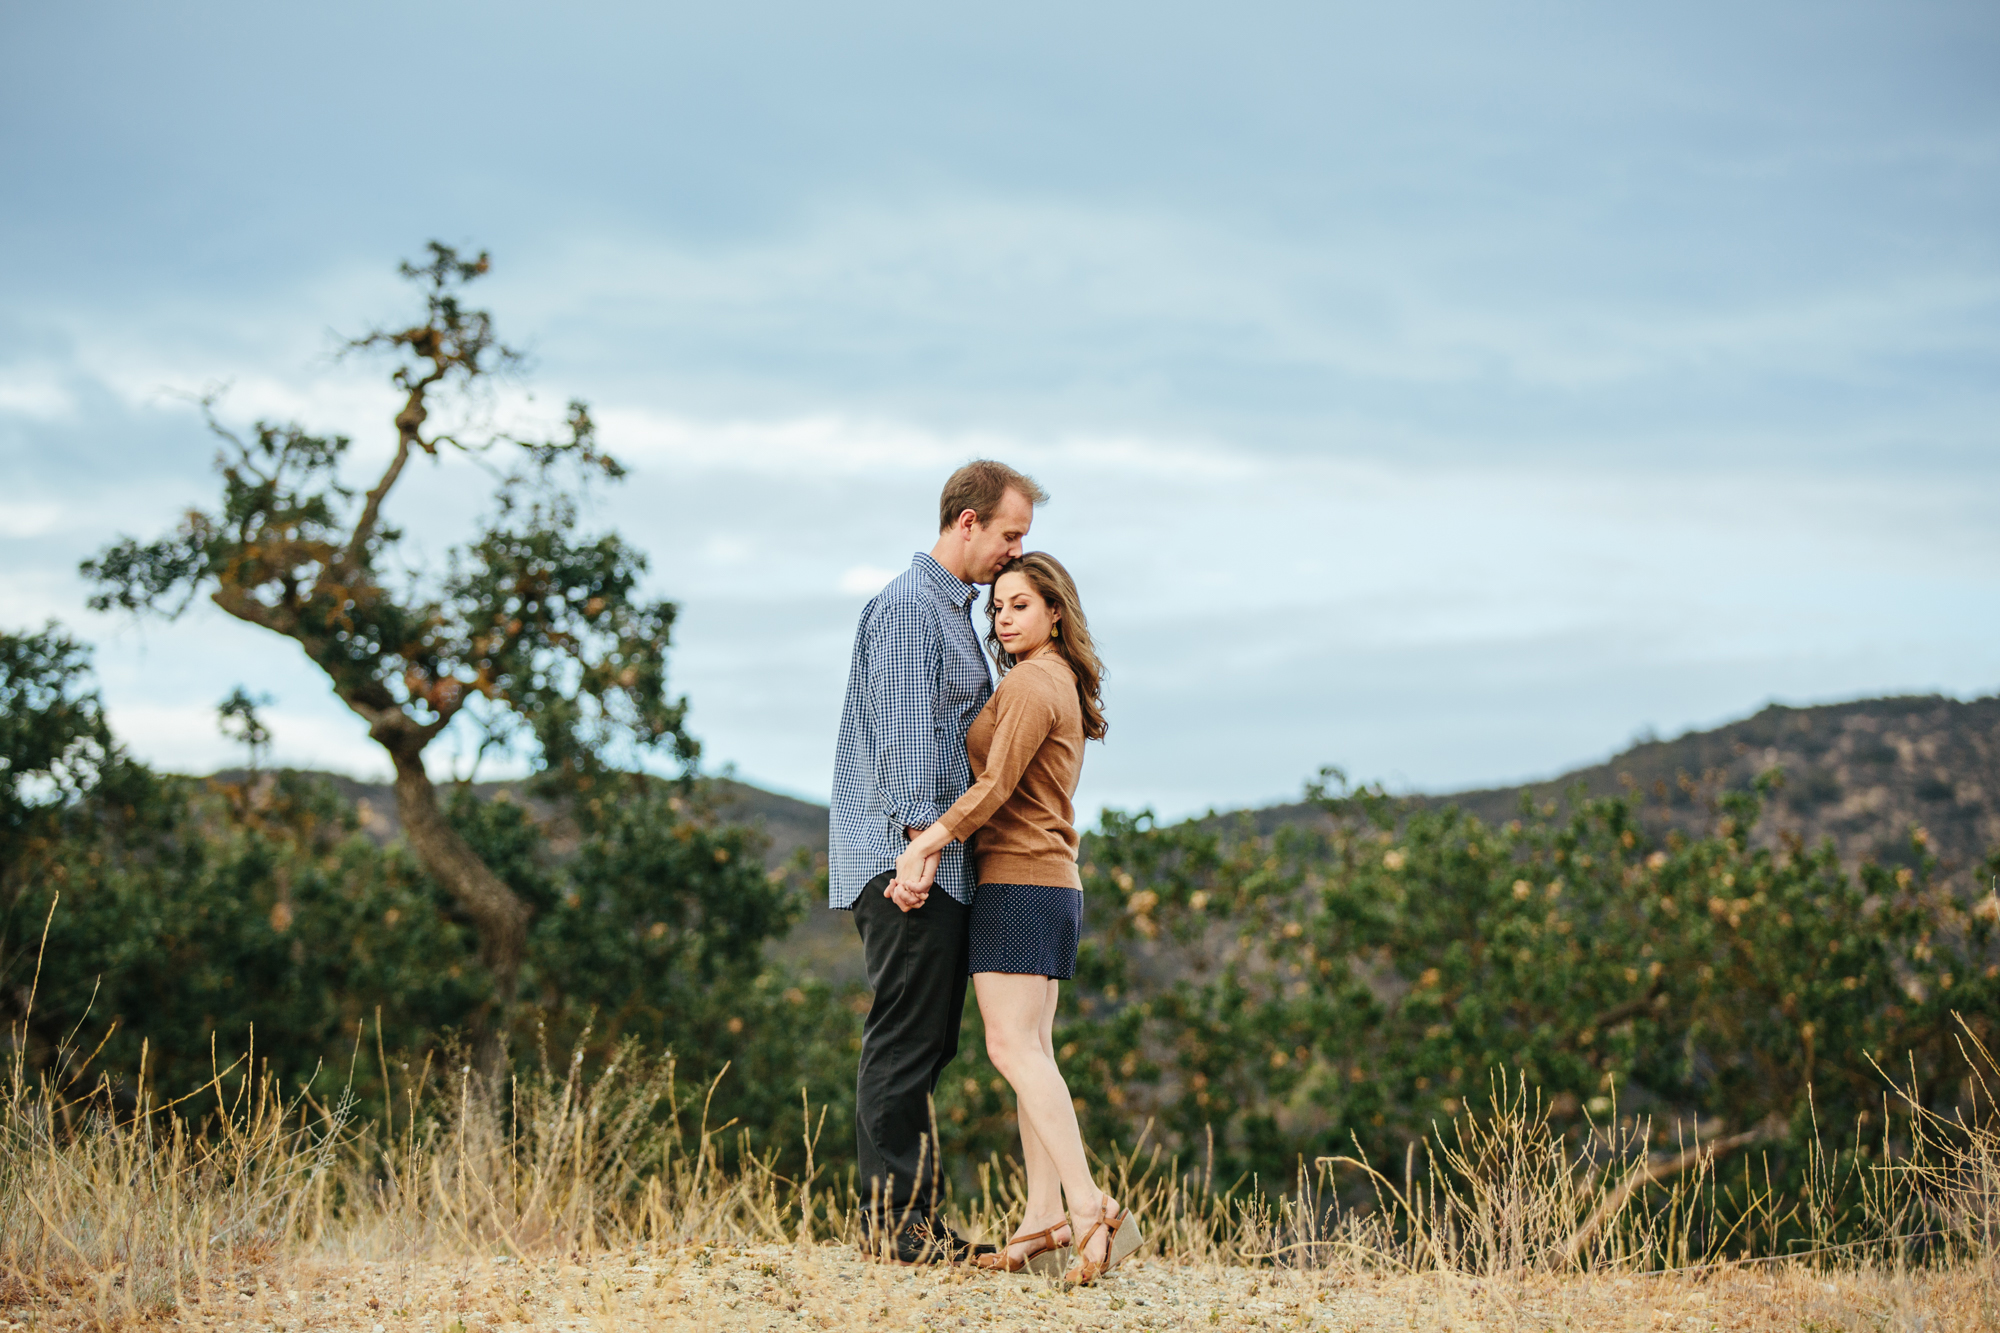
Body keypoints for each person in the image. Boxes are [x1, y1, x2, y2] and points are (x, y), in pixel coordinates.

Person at [891, 552, 1142, 1286]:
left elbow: (997, 784)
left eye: (1020, 605)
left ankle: (1092, 1209)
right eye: (997, 606)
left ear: (1055, 611)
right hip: (1049, 880)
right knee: (1033, 1052)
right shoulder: (1054, 677)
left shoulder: (1034, 682)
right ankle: (1041, 1221)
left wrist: (927, 842)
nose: (1003, 617)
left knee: (1012, 1049)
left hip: (1021, 880)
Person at [829, 460, 1047, 1264]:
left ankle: (913, 1221)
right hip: (909, 867)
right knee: (903, 1041)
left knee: (925, 1044)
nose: (1016, 549)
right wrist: (919, 852)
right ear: (967, 522)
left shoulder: (951, 615)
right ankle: (895, 1228)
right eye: (1009, 533)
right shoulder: (908, 609)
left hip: (932, 862)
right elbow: (905, 752)